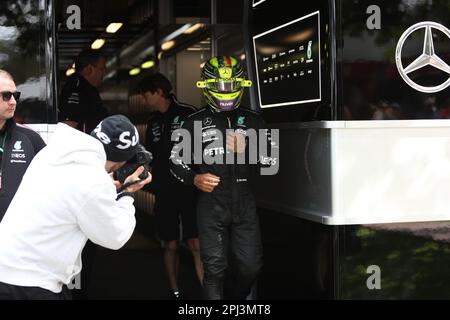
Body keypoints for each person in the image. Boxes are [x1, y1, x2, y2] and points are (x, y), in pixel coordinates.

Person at [0, 115, 152, 299]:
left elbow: (70, 194)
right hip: (31, 284)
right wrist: (128, 193)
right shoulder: (93, 181)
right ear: (121, 160)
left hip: (9, 270)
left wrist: (107, 186)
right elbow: (115, 237)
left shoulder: (54, 153)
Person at [170, 55, 277, 300]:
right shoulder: (193, 122)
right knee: (214, 269)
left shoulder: (254, 120)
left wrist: (249, 148)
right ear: (207, 86)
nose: (225, 91)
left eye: (230, 86)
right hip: (211, 203)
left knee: (252, 266)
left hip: (245, 202)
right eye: (220, 86)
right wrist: (194, 179)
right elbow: (175, 162)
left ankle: (236, 299)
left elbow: (273, 163)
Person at [136, 73, 203, 299]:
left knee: (196, 243)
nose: (143, 101)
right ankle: (175, 292)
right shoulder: (153, 121)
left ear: (158, 92)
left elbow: (205, 151)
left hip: (190, 189)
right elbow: (151, 158)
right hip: (164, 192)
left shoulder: (188, 113)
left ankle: (209, 294)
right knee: (170, 244)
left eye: (145, 96)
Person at [0, 69, 46, 221]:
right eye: (6, 96)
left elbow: (54, 184)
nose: (13, 101)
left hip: (17, 238)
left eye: (15, 95)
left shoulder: (31, 139)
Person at [59, 49, 108, 133]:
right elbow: (68, 124)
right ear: (88, 69)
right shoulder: (76, 88)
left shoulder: (88, 89)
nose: (104, 73)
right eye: (102, 69)